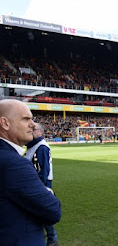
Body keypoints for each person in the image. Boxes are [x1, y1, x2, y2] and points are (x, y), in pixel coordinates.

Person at [0, 99, 61, 246]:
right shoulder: (14, 164)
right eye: (26, 119)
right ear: (5, 123)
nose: (33, 124)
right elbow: (53, 210)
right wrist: (47, 192)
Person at [25, 123, 59, 246]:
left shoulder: (41, 147)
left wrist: (39, 187)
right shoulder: (33, 146)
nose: (30, 131)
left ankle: (52, 238)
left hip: (41, 183)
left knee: (42, 209)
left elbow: (43, 170)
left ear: (40, 132)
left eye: (33, 129)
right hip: (36, 183)